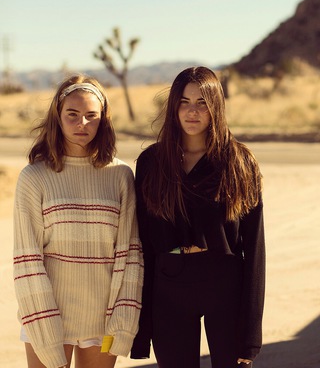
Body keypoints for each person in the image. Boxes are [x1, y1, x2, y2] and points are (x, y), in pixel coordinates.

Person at [130, 67, 265, 368]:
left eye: (202, 102)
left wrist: (250, 335)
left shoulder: (239, 162)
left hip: (223, 281)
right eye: (184, 102)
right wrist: (143, 327)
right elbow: (144, 247)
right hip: (170, 283)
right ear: (173, 107)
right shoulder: (152, 162)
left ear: (216, 106)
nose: (193, 111)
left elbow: (255, 250)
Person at [13, 74, 143, 368]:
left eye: (91, 116)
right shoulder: (34, 177)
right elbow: (27, 259)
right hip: (47, 317)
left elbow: (130, 255)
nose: (81, 123)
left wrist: (120, 325)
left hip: (103, 322)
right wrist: (45, 328)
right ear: (57, 117)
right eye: (72, 114)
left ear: (103, 120)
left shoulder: (120, 176)